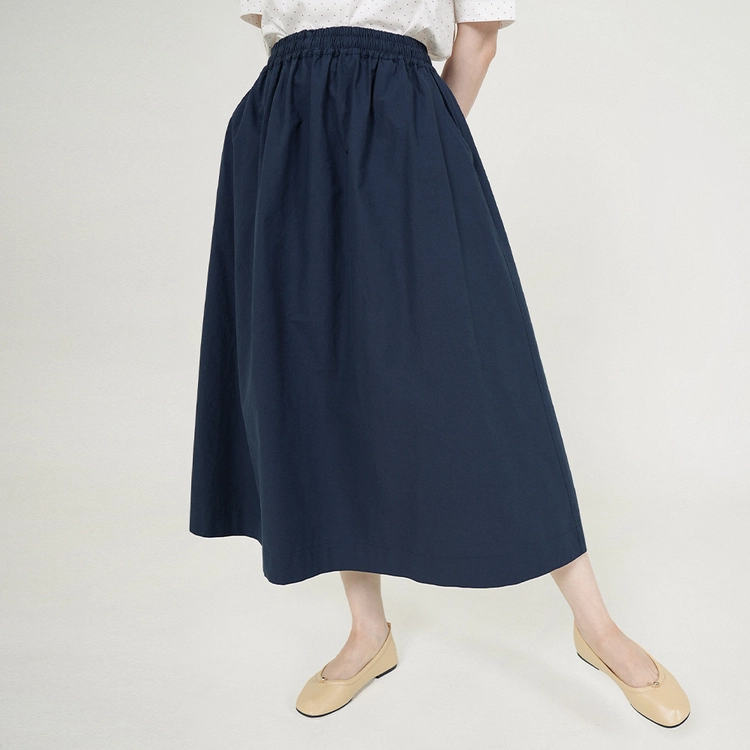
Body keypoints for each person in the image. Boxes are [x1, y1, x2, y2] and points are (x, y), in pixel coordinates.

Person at [189, 0, 690, 726]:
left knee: (485, 380)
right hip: (284, 141)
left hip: (401, 128)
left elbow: (478, 40)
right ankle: (368, 631)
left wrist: (416, 147)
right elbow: (280, 38)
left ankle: (597, 626)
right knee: (318, 380)